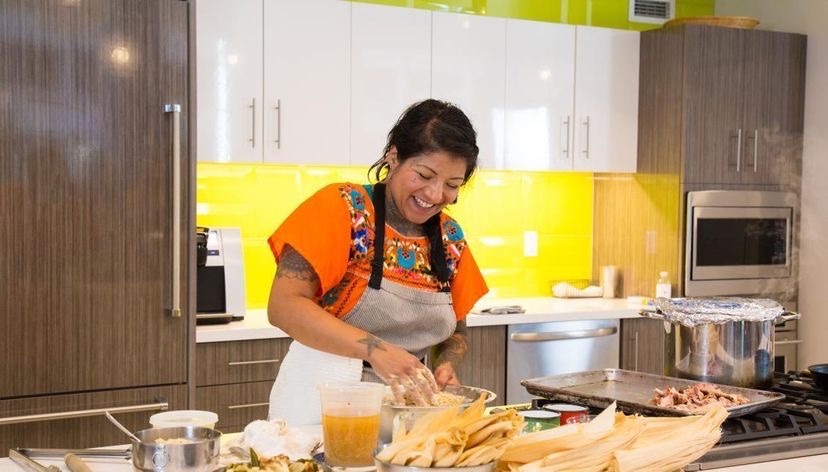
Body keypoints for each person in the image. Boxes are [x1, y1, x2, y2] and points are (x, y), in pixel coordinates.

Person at [266, 99, 488, 424]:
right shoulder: (343, 208)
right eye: (424, 175)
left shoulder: (450, 238)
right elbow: (284, 306)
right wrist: (377, 350)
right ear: (394, 157)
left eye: (453, 185)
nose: (436, 193)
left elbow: (456, 331)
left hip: (407, 412)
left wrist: (445, 365)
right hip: (323, 408)